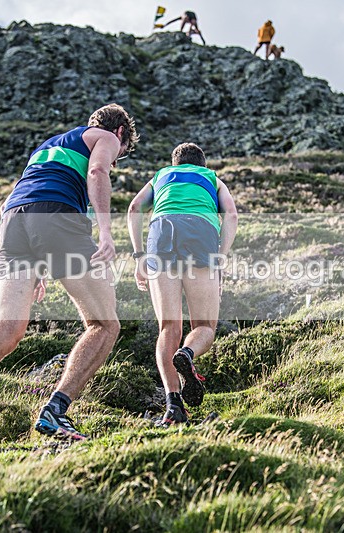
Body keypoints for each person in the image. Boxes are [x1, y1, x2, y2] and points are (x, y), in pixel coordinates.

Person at [0, 104, 139, 449]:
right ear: (120, 133)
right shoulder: (105, 136)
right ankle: (56, 411)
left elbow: (17, 200)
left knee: (7, 327)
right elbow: (99, 171)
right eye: (123, 153)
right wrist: (105, 232)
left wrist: (38, 264)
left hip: (13, 221)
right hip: (57, 216)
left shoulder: (48, 146)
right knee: (104, 324)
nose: (117, 160)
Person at [127, 143, 238, 427]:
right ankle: (187, 354)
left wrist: (139, 256)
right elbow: (232, 215)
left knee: (168, 328)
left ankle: (173, 405)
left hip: (162, 233)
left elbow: (134, 208)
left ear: (175, 163)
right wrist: (220, 257)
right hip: (200, 234)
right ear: (201, 164)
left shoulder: (161, 176)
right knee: (204, 326)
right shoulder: (212, 178)